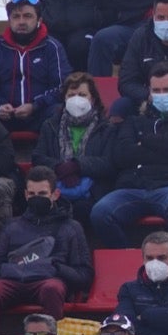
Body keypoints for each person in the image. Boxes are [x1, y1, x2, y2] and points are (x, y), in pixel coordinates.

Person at [91, 64, 168, 248]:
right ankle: (126, 259)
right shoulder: (133, 121)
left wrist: (144, 141)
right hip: (132, 188)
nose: (162, 95)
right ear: (149, 92)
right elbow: (121, 155)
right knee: (100, 211)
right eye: (157, 90)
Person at [0, 167, 92, 335]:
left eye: (42, 194)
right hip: (13, 281)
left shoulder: (71, 227)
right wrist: (14, 268)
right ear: (25, 195)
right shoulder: (12, 226)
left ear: (55, 194)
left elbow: (84, 275)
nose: (36, 198)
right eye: (32, 194)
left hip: (48, 282)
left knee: (52, 289)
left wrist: (56, 267)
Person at [30, 72, 116, 222]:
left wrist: (77, 166)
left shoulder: (106, 128)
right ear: (64, 98)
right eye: (71, 95)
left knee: (82, 209)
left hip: (94, 191)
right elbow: (38, 157)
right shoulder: (50, 125)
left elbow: (109, 163)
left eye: (82, 95)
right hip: (57, 188)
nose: (76, 99)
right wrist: (60, 167)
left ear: (93, 99)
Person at [0, 0, 69, 135]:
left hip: (40, 114)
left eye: (27, 16)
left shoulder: (52, 47)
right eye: (16, 17)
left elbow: (61, 86)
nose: (21, 22)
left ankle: (50, 156)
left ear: (39, 20)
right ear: (9, 20)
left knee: (60, 111)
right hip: (3, 117)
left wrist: (34, 106)